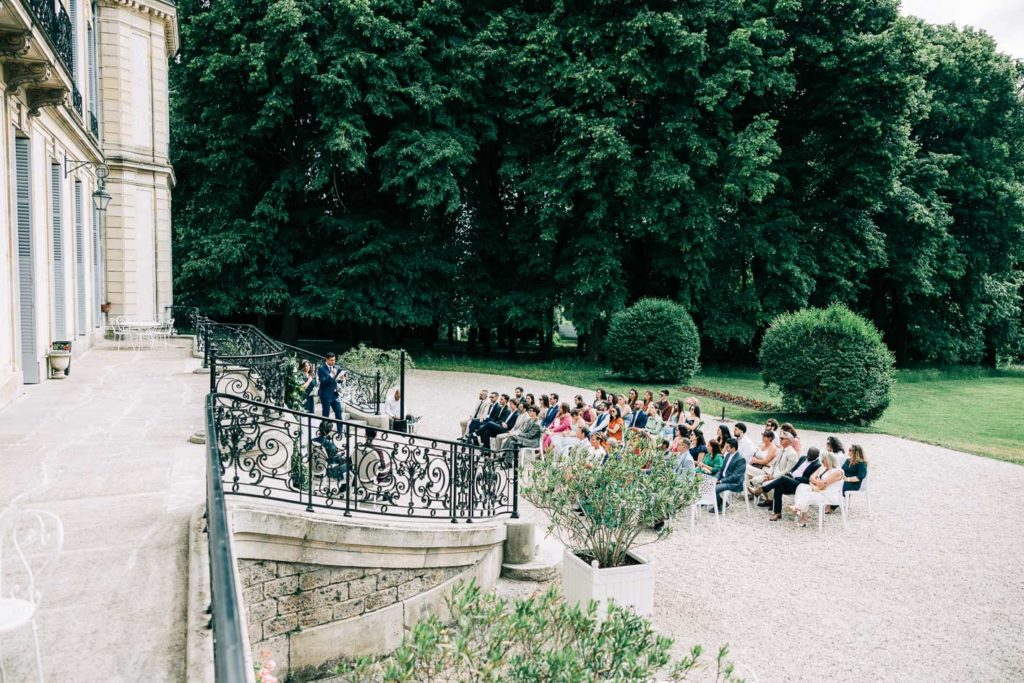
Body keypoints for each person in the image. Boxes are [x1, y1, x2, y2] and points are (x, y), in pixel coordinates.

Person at [750, 447, 822, 521]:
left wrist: (794, 477)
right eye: (808, 456)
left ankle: (763, 489)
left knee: (783, 478)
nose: (808, 458)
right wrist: (790, 473)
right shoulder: (803, 458)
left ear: (817, 456)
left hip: (800, 485)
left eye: (811, 457)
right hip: (790, 479)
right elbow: (794, 468)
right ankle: (777, 513)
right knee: (779, 487)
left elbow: (808, 480)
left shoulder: (817, 465)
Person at [789, 451, 844, 526]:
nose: (822, 462)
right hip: (820, 491)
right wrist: (817, 482)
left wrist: (816, 483)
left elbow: (822, 485)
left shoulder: (838, 472)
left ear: (828, 460)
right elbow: (811, 478)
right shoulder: (824, 468)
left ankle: (801, 514)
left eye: (823, 460)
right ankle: (798, 507)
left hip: (829, 495)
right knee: (802, 486)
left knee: (806, 495)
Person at [750, 431, 799, 507]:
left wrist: (774, 477)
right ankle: (769, 500)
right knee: (755, 480)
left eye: (782, 438)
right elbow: (773, 464)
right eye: (780, 438)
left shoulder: (792, 454)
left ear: (789, 441)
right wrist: (769, 474)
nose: (780, 439)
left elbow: (787, 471)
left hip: (781, 478)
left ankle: (770, 501)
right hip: (772, 474)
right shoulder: (780, 450)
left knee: (765, 483)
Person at [715, 438, 746, 511]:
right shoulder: (728, 455)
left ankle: (722, 503)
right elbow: (721, 470)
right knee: (708, 483)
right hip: (724, 478)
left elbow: (735, 476)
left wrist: (721, 481)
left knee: (715, 488)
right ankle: (719, 502)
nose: (725, 448)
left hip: (734, 482)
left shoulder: (740, 459)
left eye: (727, 447)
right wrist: (716, 478)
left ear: (733, 448)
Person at [317, 353, 345, 420]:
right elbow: (323, 382)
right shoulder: (321, 369)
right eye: (331, 360)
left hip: (334, 394)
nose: (333, 362)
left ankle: (340, 430)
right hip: (325, 395)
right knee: (326, 414)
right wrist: (331, 375)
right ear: (327, 360)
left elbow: (337, 381)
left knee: (339, 411)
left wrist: (341, 379)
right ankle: (324, 430)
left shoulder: (336, 367)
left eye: (334, 360)